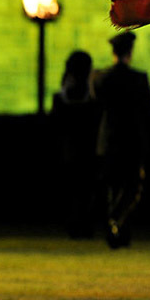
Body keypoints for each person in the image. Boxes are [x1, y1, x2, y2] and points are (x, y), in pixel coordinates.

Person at [91, 32, 150, 248]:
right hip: (132, 141)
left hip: (109, 141)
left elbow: (95, 100)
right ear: (130, 52)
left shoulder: (102, 78)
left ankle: (115, 227)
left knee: (113, 187)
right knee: (131, 187)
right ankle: (118, 224)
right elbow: (148, 110)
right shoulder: (138, 78)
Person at [51, 50, 99, 239]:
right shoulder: (92, 97)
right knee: (85, 190)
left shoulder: (62, 97)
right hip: (87, 149)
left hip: (69, 150)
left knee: (73, 190)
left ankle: (75, 224)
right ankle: (83, 224)